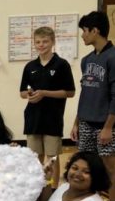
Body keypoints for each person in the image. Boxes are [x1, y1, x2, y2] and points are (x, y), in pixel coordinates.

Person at [71, 11, 115, 201]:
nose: (82, 35)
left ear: (95, 31)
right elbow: (85, 93)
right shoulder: (87, 60)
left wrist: (108, 127)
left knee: (110, 166)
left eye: (85, 31)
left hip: (107, 125)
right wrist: (76, 122)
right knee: (87, 166)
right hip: (87, 121)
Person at [19, 26, 76, 186]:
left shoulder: (61, 65)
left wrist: (45, 93)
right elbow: (22, 92)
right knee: (35, 156)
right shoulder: (30, 67)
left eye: (45, 41)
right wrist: (29, 95)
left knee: (52, 157)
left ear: (52, 42)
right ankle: (37, 188)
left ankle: (53, 188)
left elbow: (70, 92)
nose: (41, 45)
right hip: (33, 118)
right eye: (38, 42)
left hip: (52, 118)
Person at [38, 151, 111, 201]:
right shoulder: (64, 187)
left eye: (86, 172)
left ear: (96, 177)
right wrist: (47, 180)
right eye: (75, 168)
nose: (78, 174)